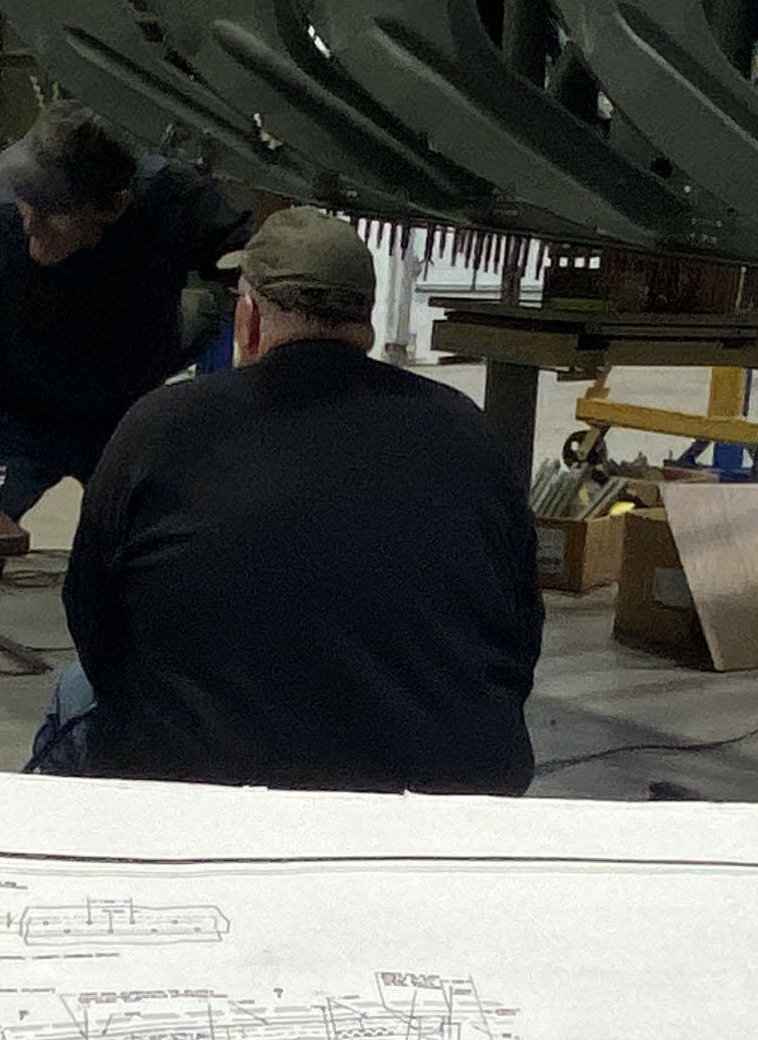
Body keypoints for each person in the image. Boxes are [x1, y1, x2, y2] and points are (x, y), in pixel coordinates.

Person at [38, 209, 540, 794]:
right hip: (442, 797)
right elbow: (519, 635)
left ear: (247, 321)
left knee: (76, 691)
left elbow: (93, 618)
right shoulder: (466, 431)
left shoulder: (160, 426)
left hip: (208, 798)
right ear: (367, 326)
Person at [0, 105, 251, 762]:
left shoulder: (169, 199)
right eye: (26, 200)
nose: (30, 224)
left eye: (52, 212)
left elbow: (255, 266)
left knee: (163, 579)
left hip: (124, 411)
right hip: (2, 412)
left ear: (112, 207)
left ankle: (156, 761)